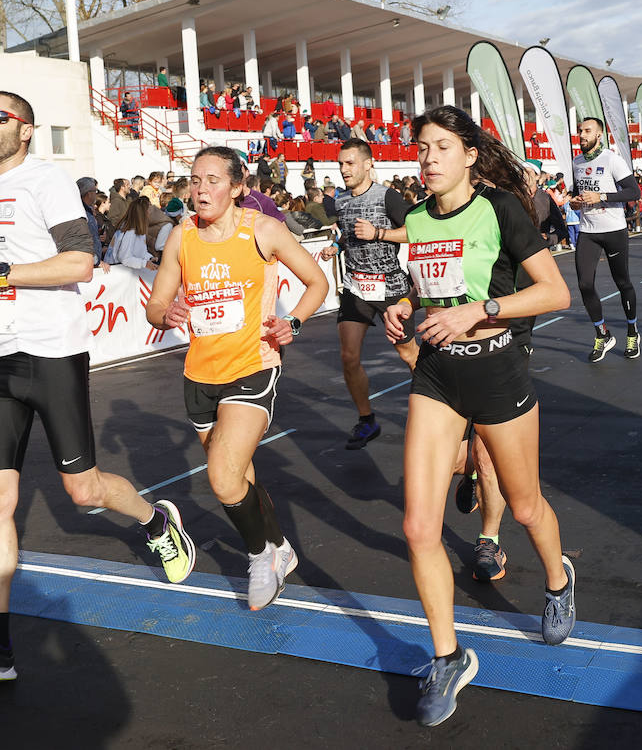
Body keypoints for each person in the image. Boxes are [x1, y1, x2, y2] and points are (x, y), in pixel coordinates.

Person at [0, 92, 196, 683]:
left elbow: (80, 262)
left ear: (26, 130)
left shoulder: (47, 181)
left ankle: (154, 521)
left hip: (51, 354)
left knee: (84, 491)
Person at [382, 106, 575, 727]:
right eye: (421, 148)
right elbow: (433, 284)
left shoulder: (500, 209)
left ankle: (557, 578)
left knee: (523, 507)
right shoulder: (412, 217)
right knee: (418, 528)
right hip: (437, 376)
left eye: (441, 147)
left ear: (468, 154)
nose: (428, 158)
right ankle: (447, 657)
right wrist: (403, 303)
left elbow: (553, 293)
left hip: (497, 370)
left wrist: (480, 310)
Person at [145, 146, 329, 612]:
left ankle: (260, 556)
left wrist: (296, 323)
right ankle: (279, 545)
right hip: (199, 376)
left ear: (237, 186)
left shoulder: (263, 231)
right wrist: (169, 313)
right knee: (240, 476)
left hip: (253, 367)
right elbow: (154, 306)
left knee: (224, 480)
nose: (200, 189)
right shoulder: (181, 237)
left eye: (211, 180)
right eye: (194, 180)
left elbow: (317, 282)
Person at [317, 139, 419, 448]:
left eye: (349, 163)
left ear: (367, 164)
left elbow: (417, 231)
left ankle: (437, 409)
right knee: (348, 356)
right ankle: (366, 420)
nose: (343, 169)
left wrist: (379, 233)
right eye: (340, 164)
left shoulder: (388, 196)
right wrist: (334, 247)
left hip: (390, 287)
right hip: (356, 287)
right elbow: (348, 237)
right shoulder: (341, 201)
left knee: (409, 354)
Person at [570, 117, 642, 361]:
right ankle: (602, 334)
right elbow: (577, 193)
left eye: (587, 131)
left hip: (614, 230)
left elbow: (634, 192)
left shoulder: (613, 159)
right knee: (584, 285)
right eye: (580, 131)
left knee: (623, 283)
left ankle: (632, 332)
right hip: (588, 231)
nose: (582, 135)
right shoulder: (577, 162)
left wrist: (601, 196)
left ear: (599, 135)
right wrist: (574, 201)